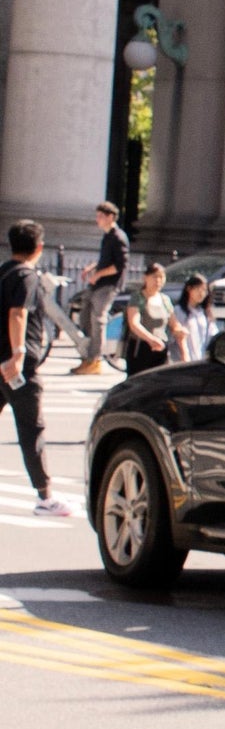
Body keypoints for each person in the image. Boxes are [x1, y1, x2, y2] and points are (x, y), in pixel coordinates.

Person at [0, 219, 73, 518]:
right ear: (39, 247)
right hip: (18, 367)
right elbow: (18, 314)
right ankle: (45, 496)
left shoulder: (3, 273)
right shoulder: (27, 277)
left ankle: (45, 494)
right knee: (32, 429)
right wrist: (18, 354)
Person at [71, 202, 128, 376]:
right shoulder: (108, 236)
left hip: (109, 285)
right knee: (85, 316)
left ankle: (95, 360)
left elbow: (119, 265)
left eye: (100, 216)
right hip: (99, 283)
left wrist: (99, 274)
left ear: (111, 217)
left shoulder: (118, 237)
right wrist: (93, 267)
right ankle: (87, 356)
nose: (97, 219)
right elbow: (106, 259)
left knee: (98, 319)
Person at [122, 261, 172, 375]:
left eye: (161, 277)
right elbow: (134, 323)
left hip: (161, 347)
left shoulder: (165, 300)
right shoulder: (138, 297)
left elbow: (173, 322)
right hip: (141, 347)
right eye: (154, 276)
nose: (158, 280)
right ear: (145, 278)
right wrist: (151, 339)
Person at [171, 270, 215, 366]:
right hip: (182, 361)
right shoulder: (179, 310)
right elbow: (176, 336)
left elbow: (212, 336)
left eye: (204, 290)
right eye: (198, 289)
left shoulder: (204, 313)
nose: (201, 293)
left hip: (200, 361)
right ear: (189, 289)